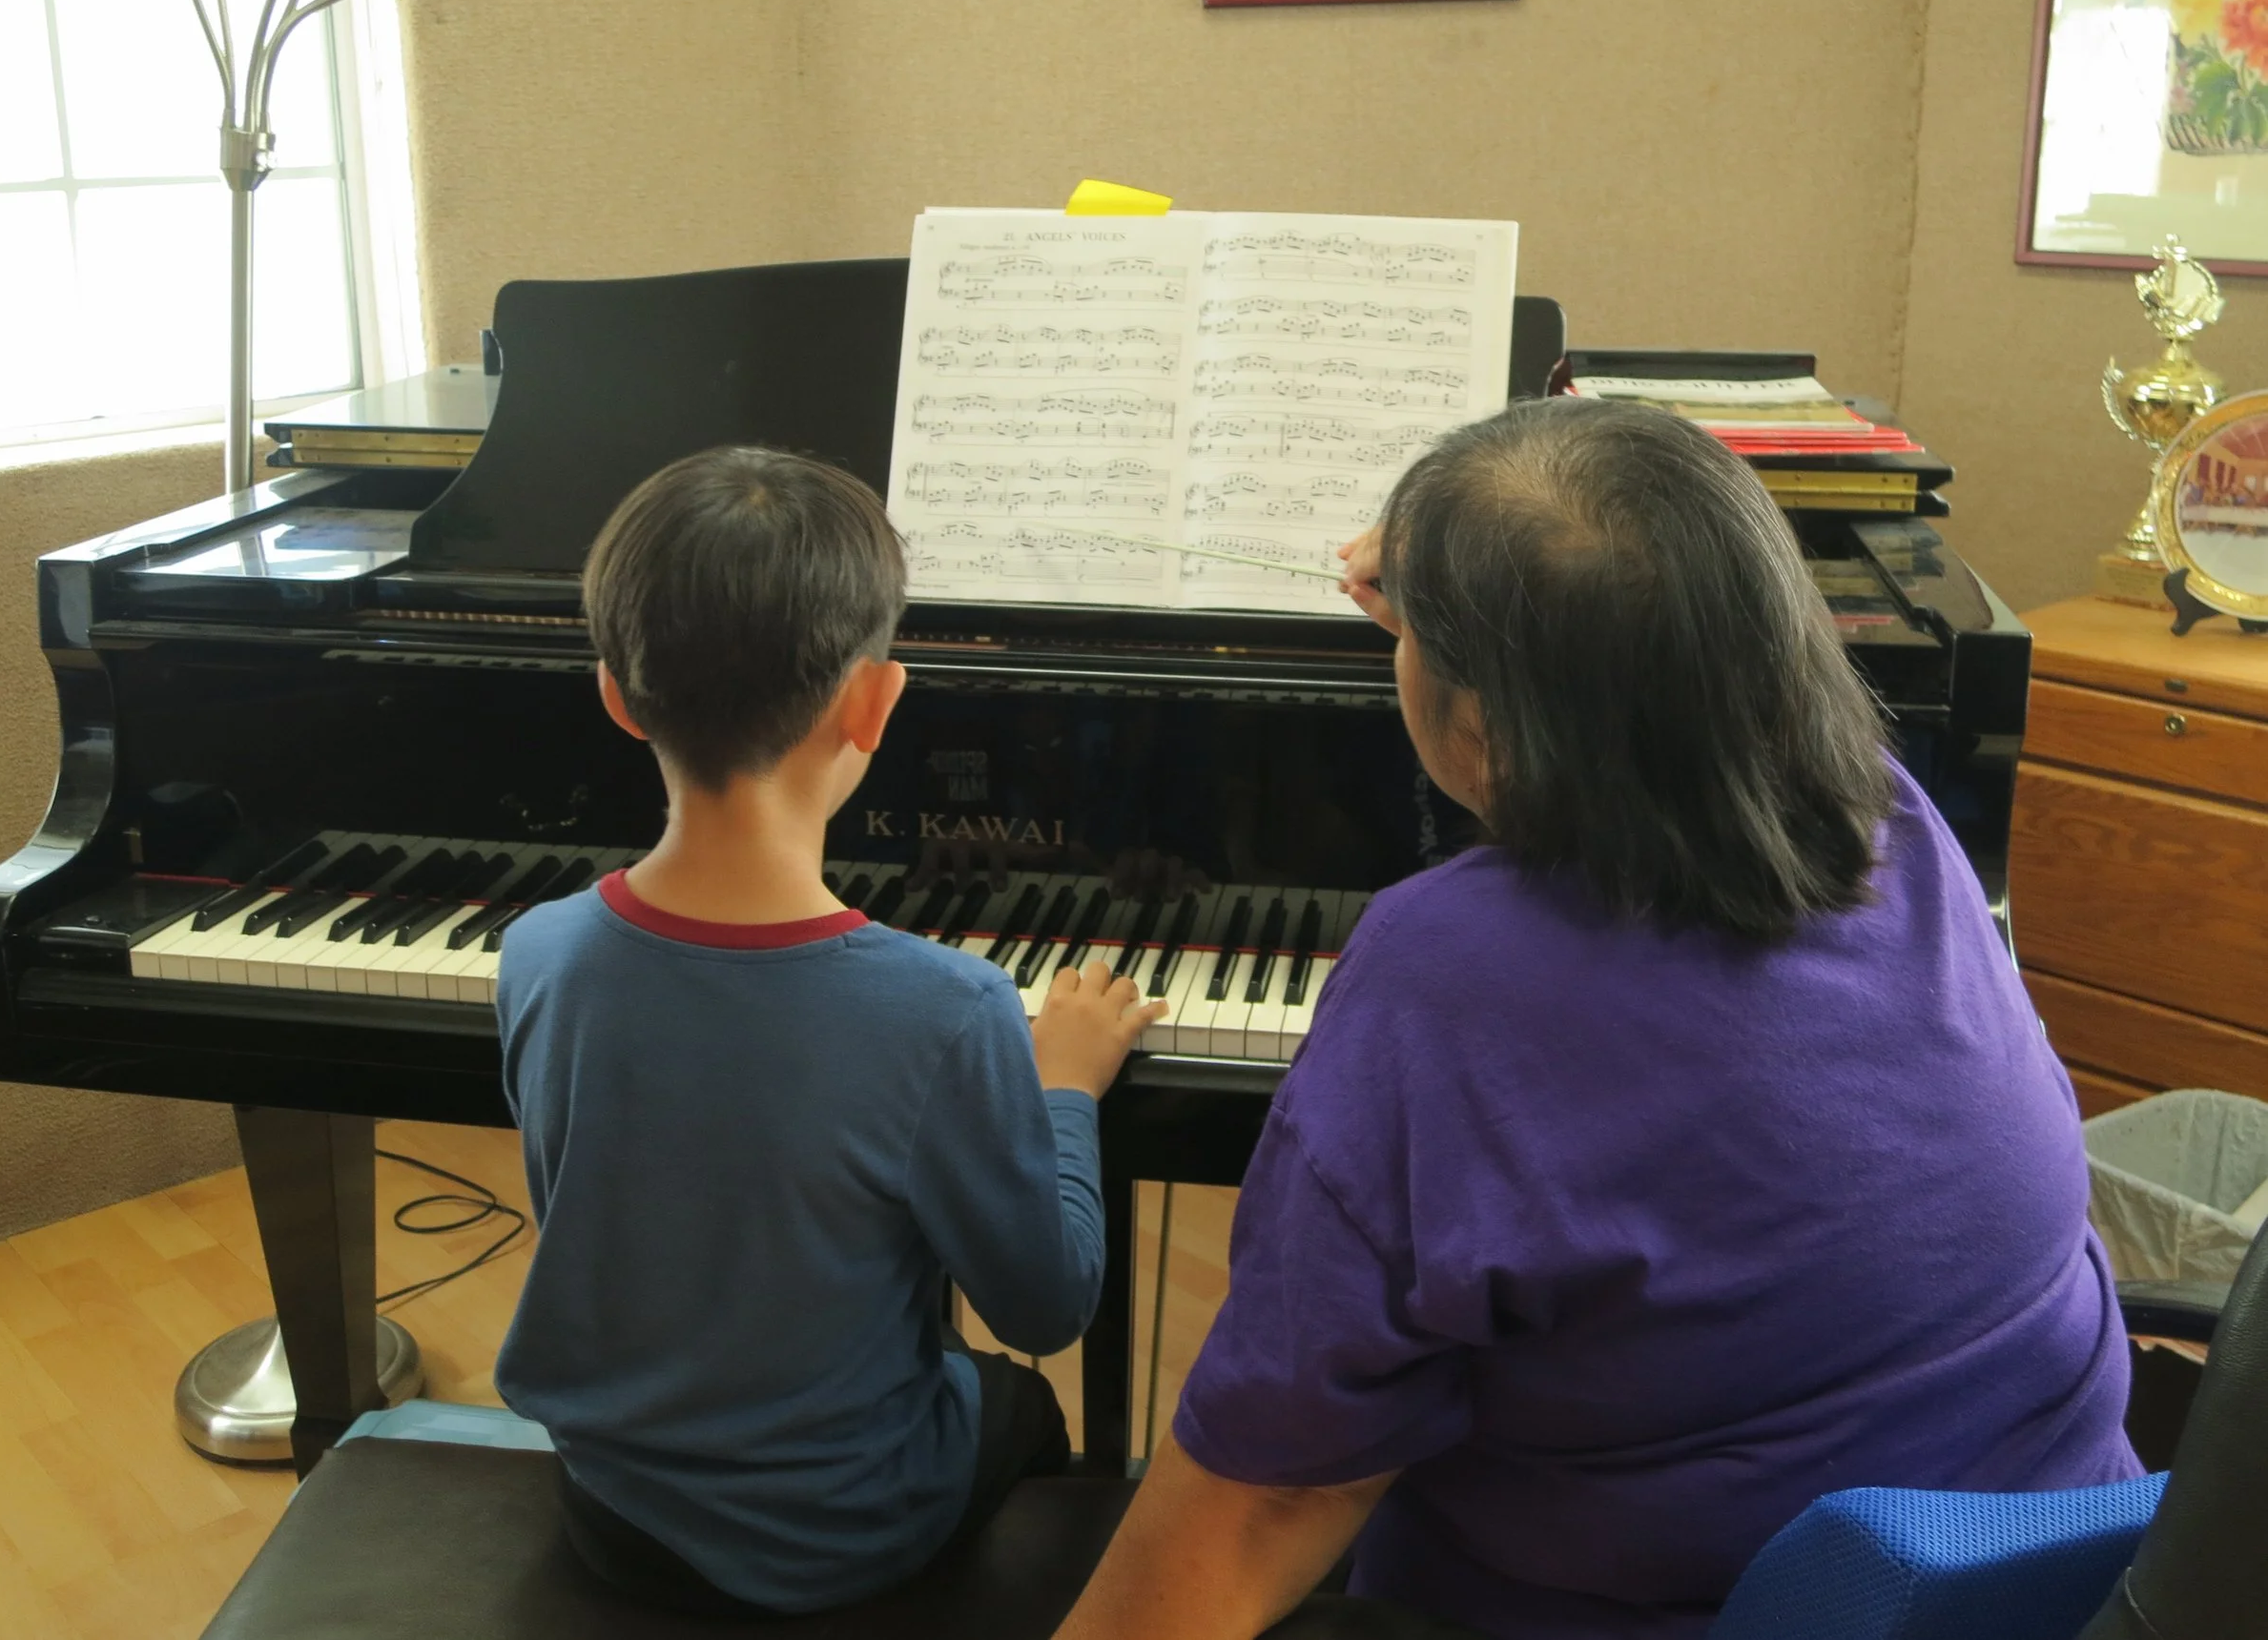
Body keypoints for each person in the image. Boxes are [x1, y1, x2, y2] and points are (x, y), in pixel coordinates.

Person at [1057, 401, 2140, 1640]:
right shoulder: (1889, 811)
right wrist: (1447, 594)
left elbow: (1268, 1489)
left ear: (1490, 716)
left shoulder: (1449, 968)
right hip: (2044, 1572)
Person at [493, 445, 1164, 1617]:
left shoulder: (540, 949)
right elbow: (1047, 1307)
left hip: (611, 1504)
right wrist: (1061, 1086)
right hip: (841, 1540)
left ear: (613, 692)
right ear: (875, 699)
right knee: (1020, 1401)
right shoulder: (944, 1009)